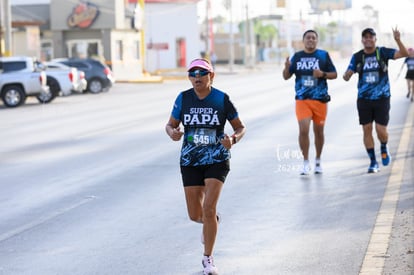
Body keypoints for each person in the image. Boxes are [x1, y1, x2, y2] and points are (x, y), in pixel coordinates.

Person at [165, 58, 245, 275]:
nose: (197, 77)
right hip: (190, 160)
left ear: (212, 75)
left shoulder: (222, 99)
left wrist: (233, 140)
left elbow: (240, 127)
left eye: (202, 72)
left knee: (208, 208)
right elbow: (170, 125)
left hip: (217, 158)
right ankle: (211, 222)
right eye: (192, 73)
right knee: (195, 214)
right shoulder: (183, 98)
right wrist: (172, 133)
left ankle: (208, 259)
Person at [343, 27, 408, 173]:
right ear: (362, 40)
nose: (368, 39)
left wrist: (398, 40)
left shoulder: (382, 52)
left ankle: (384, 146)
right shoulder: (357, 56)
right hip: (364, 99)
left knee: (381, 130)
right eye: (365, 37)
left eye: (370, 37)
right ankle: (373, 162)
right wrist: (347, 75)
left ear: (375, 39)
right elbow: (347, 73)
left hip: (382, 98)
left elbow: (404, 53)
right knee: (366, 130)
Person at [282, 29, 337, 175]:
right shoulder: (298, 56)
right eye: (308, 38)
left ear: (316, 40)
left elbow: (334, 74)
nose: (310, 40)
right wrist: (286, 68)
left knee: (319, 132)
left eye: (313, 38)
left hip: (320, 100)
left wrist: (322, 74)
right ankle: (305, 161)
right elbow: (286, 76)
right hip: (302, 100)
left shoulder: (323, 55)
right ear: (303, 40)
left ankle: (318, 160)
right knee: (303, 130)